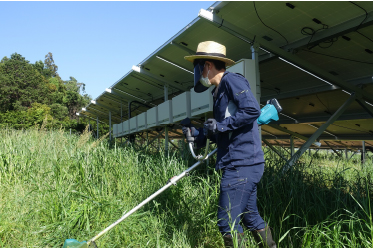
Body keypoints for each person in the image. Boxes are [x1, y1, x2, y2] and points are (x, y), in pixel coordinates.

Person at [182, 41, 277, 248]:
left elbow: (251, 110)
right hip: (241, 163)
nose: (198, 73)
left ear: (207, 65)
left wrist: (221, 126)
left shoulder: (232, 81)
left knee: (226, 221)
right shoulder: (217, 93)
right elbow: (223, 132)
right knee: (251, 218)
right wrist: (198, 133)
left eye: (198, 68)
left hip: (241, 165)